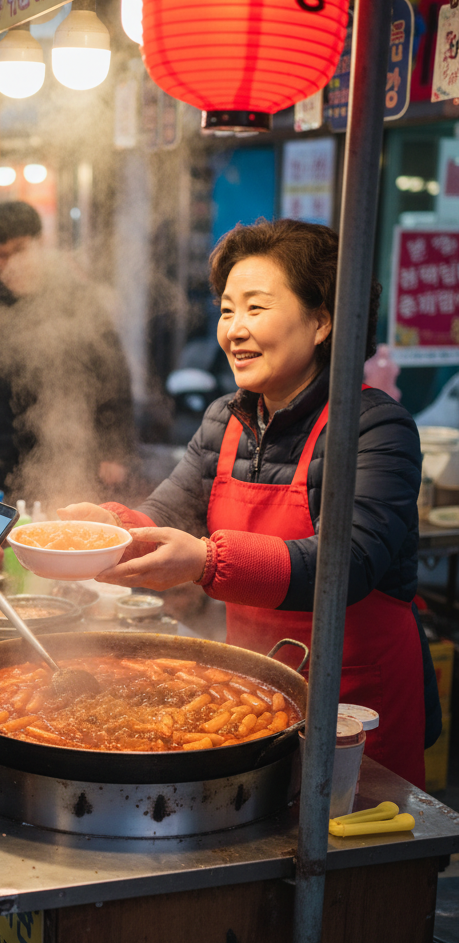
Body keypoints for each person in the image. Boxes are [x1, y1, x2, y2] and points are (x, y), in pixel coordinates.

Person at [62, 218, 439, 787]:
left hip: (356, 704)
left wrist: (206, 563)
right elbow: (166, 516)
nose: (234, 329)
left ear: (322, 320)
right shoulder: (226, 417)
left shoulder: (375, 426)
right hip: (253, 688)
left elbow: (348, 565)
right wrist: (109, 528)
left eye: (255, 309)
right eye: (225, 310)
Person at [0, 200, 135, 505]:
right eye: (3, 255)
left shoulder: (76, 298)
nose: (13, 264)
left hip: (72, 449)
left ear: (41, 243)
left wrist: (113, 450)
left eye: (21, 250)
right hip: (0, 455)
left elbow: (112, 375)